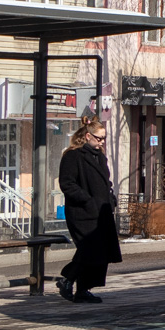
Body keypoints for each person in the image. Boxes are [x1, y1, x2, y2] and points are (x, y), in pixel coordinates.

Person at [56, 116, 122, 303]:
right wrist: (88, 200)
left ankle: (83, 288)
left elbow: (105, 181)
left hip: (101, 211)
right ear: (87, 136)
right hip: (82, 212)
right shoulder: (73, 155)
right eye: (98, 138)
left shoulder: (99, 155)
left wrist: (110, 199)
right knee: (90, 248)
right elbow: (67, 183)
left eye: (103, 138)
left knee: (101, 251)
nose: (101, 142)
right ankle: (68, 279)